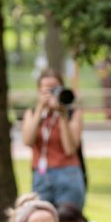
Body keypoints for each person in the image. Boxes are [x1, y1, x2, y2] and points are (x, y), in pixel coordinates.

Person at [22, 69, 85, 210]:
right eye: (47, 89)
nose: (52, 92)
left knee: (68, 221)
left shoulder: (72, 113)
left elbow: (70, 148)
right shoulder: (32, 113)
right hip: (41, 175)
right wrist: (40, 110)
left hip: (68, 173)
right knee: (42, 218)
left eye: (55, 88)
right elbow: (28, 141)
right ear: (39, 91)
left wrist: (62, 115)